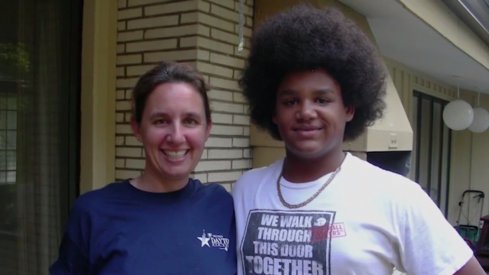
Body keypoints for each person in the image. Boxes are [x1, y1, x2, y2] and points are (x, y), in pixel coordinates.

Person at [232, 4, 484, 275]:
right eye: (291, 100)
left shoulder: (395, 195)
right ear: (273, 112)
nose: (305, 112)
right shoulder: (247, 189)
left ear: (349, 108)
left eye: (322, 99)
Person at [50, 61, 236, 274]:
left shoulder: (222, 206)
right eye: (160, 121)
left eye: (190, 121)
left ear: (207, 129)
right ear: (137, 128)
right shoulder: (93, 213)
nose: (176, 137)